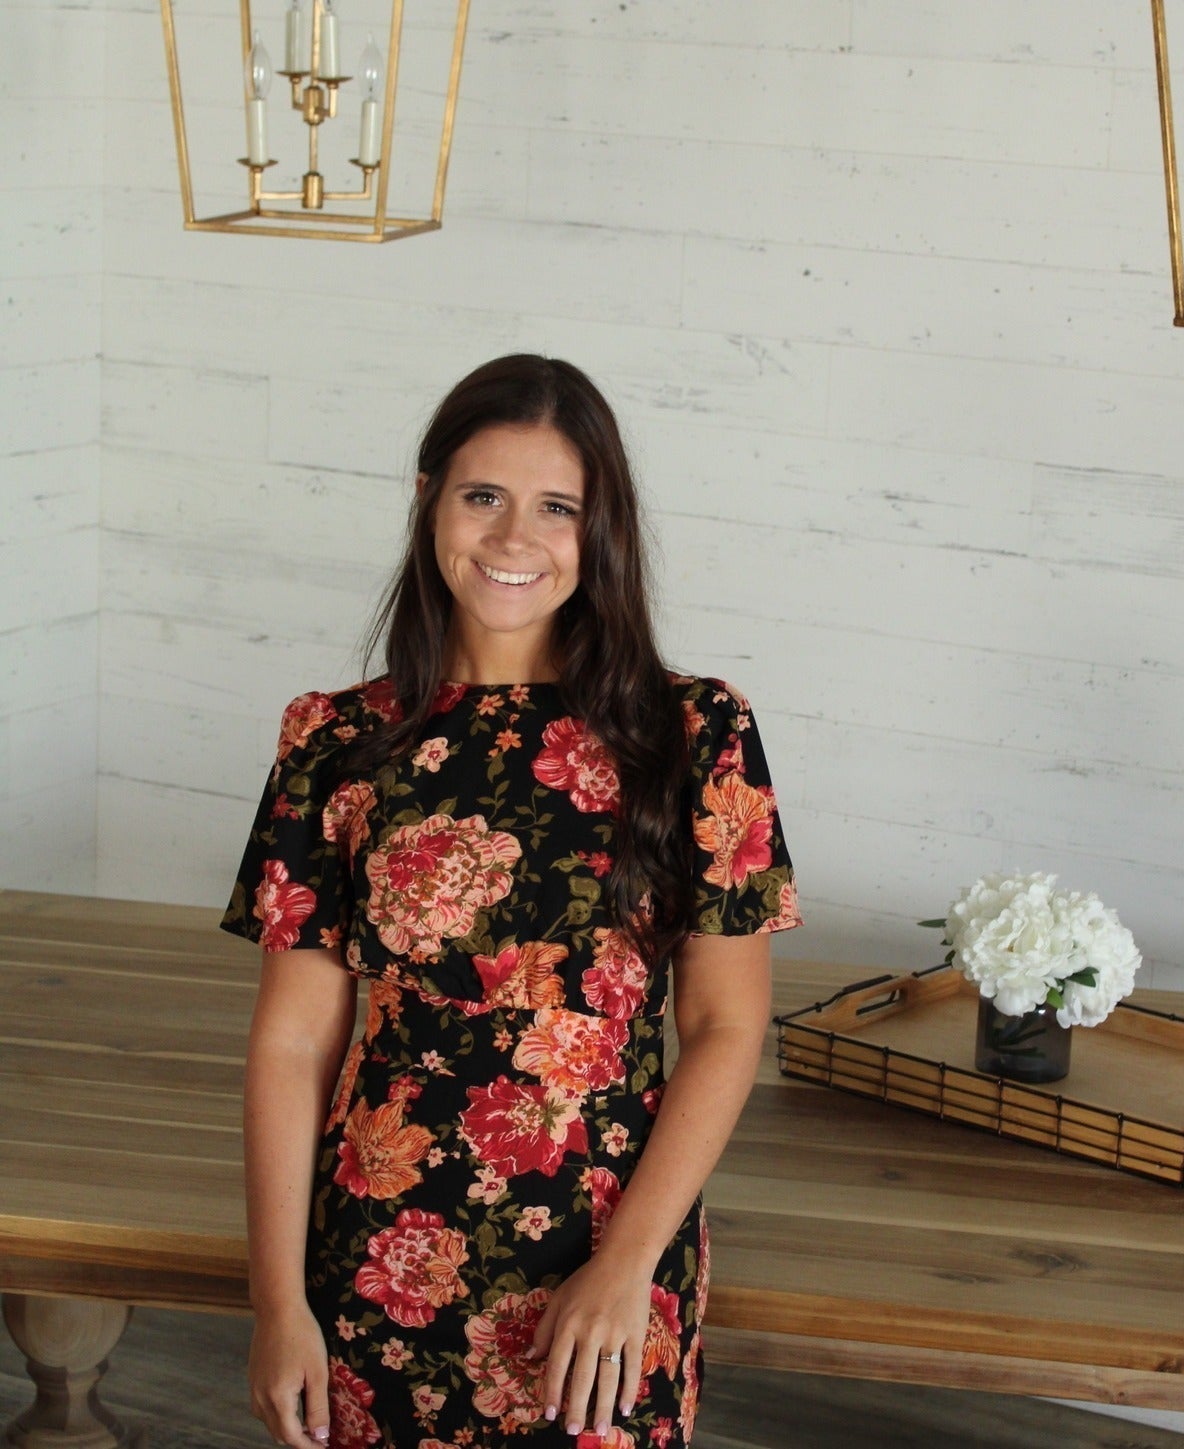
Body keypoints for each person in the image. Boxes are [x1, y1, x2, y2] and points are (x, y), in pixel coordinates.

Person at [222, 355, 800, 1449]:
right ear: (431, 500)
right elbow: (293, 1044)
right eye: (482, 495)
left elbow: (726, 1027)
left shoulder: (695, 735)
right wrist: (276, 1302)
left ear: (602, 531)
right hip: (381, 1256)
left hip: (605, 1262)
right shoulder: (333, 741)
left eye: (557, 507)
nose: (512, 538)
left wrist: (629, 1265)